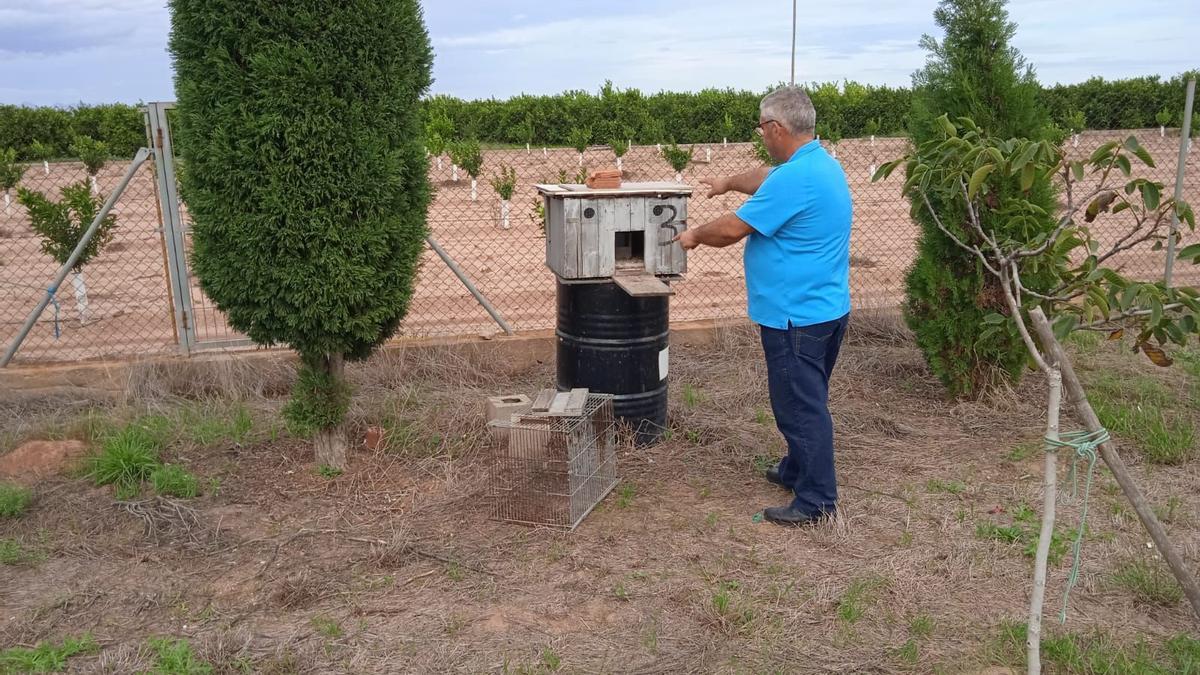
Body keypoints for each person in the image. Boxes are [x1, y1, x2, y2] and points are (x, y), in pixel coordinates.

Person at [673, 86, 852, 527]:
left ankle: (816, 501)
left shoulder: (797, 178)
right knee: (806, 396)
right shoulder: (820, 165)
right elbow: (766, 177)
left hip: (796, 316)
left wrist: (693, 235)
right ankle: (796, 469)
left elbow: (734, 228)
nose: (762, 136)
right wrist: (727, 183)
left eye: (762, 128)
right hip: (825, 308)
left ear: (775, 128)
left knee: (798, 406)